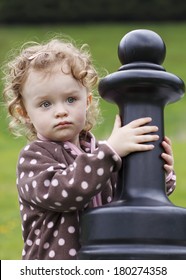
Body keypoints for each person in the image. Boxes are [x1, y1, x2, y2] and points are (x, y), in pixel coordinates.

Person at [3, 37, 176, 260]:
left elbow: (133, 195)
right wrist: (110, 152)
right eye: (45, 104)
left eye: (71, 99)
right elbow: (64, 192)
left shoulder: (100, 153)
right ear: (24, 113)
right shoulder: (33, 158)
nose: (61, 111)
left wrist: (158, 172)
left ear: (87, 101)